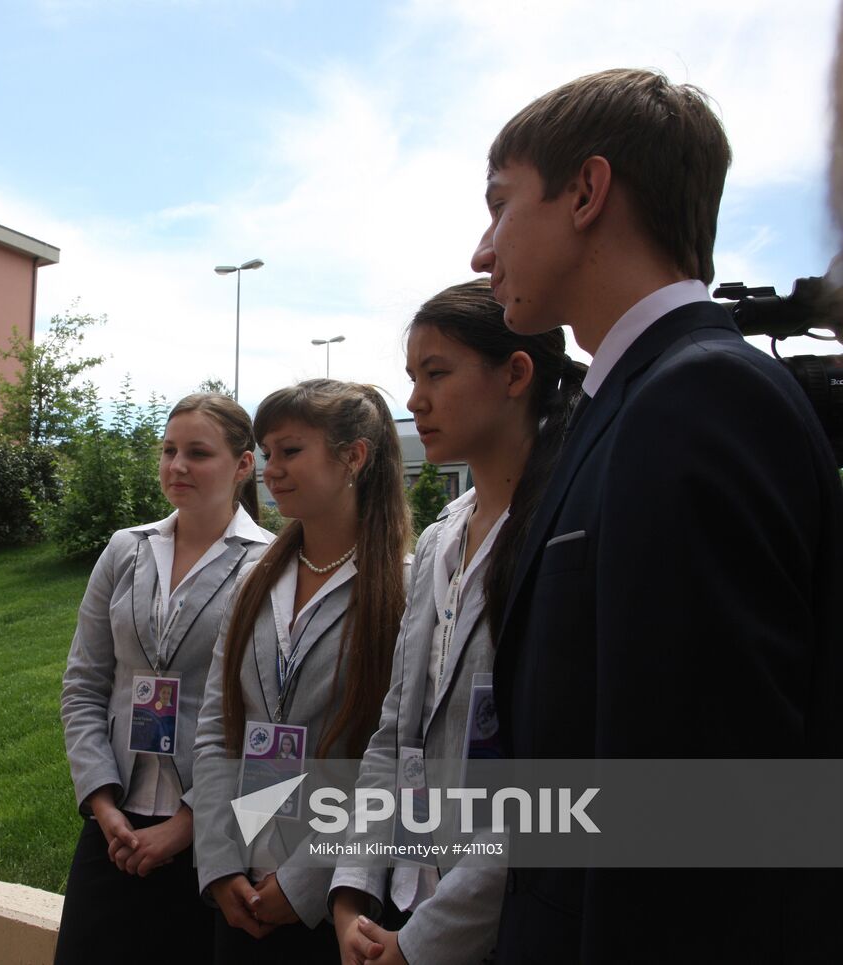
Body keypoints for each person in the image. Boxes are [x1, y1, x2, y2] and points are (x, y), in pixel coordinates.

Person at [471, 69, 842, 961]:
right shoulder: (626, 402)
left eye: (499, 203)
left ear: (588, 192)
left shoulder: (698, 399)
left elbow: (697, 829)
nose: (483, 250)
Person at [330, 280, 582, 965]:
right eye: (412, 377)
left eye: (436, 373)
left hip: (509, 926)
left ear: (516, 374)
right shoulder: (440, 540)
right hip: (404, 902)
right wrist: (353, 890)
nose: (414, 400)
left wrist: (426, 943)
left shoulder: (563, 535)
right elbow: (394, 735)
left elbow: (555, 779)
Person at [192, 379, 410, 964]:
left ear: (353, 457)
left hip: (335, 899)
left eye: (290, 451)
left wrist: (305, 883)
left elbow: (386, 758)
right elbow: (216, 729)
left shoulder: (404, 590)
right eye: (266, 454)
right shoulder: (253, 581)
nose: (271, 470)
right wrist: (219, 861)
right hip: (241, 886)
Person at [55, 393, 274, 965]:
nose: (177, 466)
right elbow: (84, 683)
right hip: (114, 825)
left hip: (213, 835)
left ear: (244, 464)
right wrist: (102, 803)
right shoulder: (127, 550)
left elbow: (267, 718)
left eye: (198, 453)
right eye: (169, 450)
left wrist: (188, 824)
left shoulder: (268, 564)